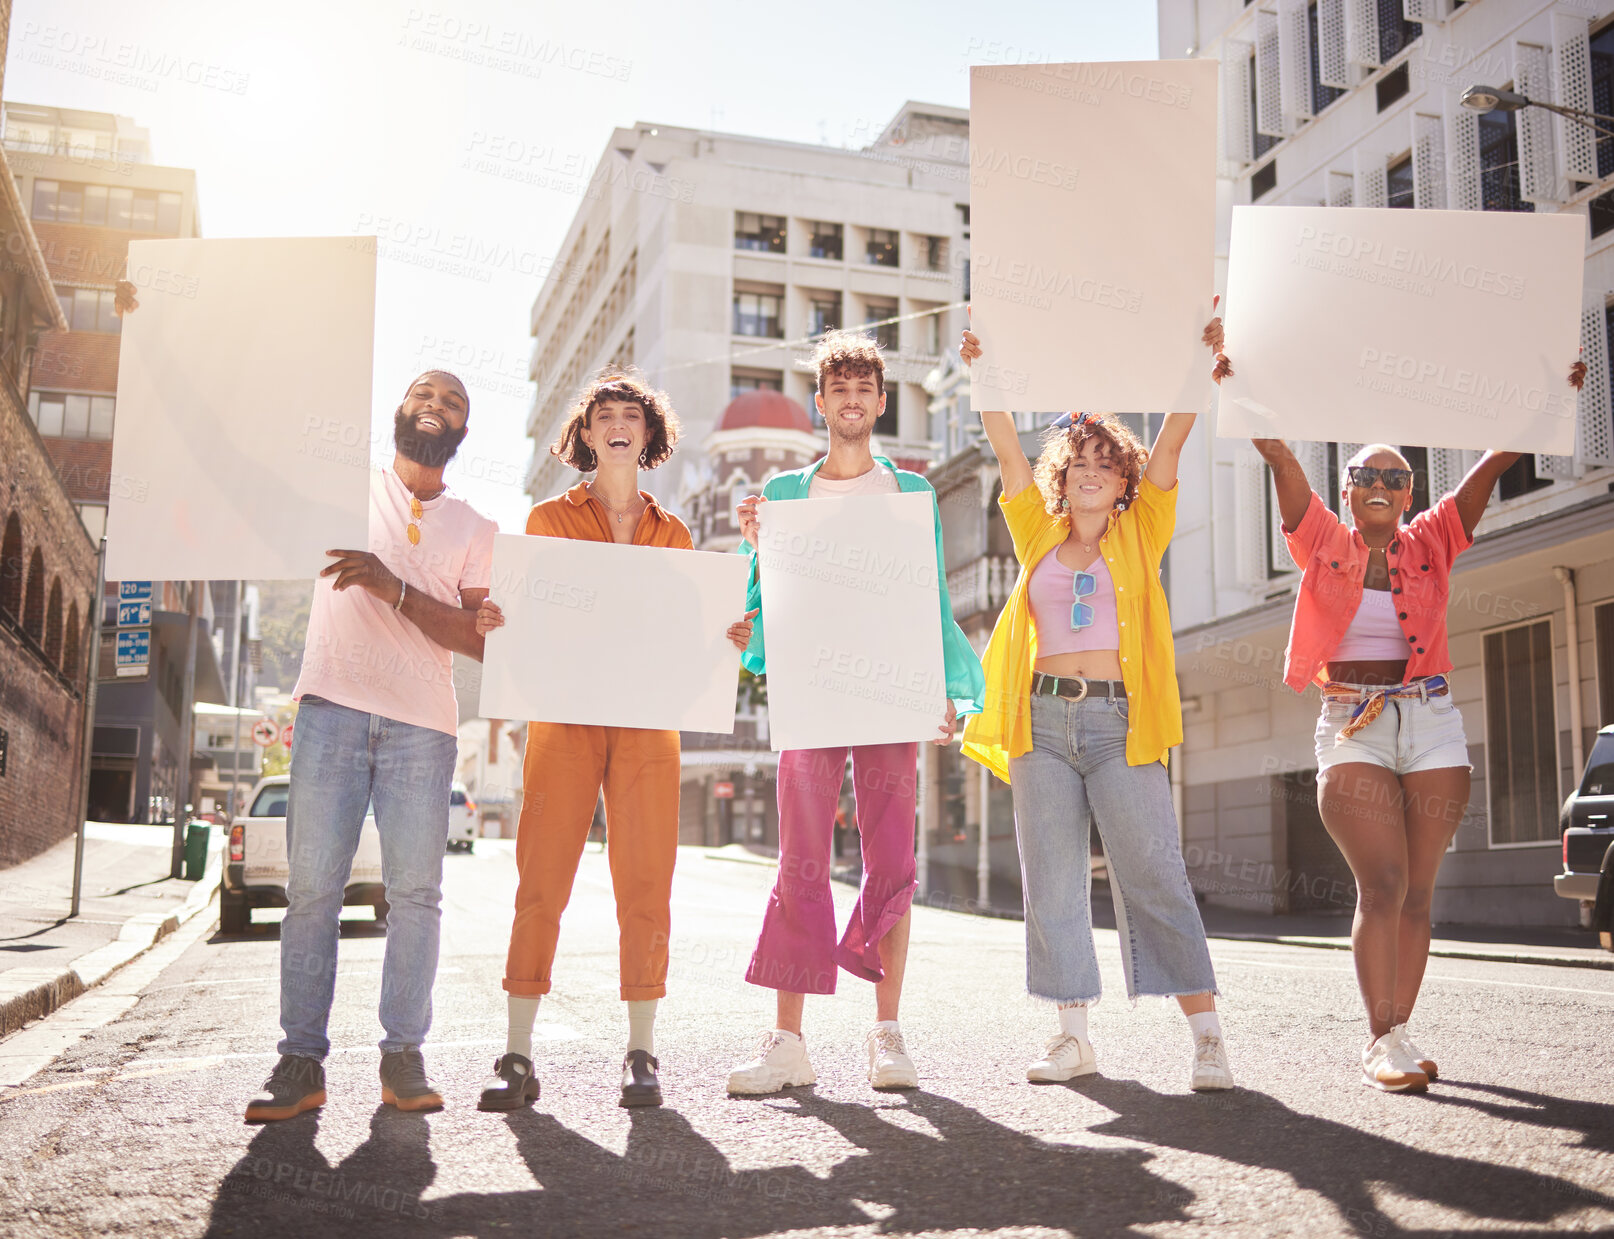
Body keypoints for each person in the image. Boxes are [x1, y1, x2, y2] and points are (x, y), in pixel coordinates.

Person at [1214, 346, 1588, 1092]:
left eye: (1397, 477)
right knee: (1381, 881)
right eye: (1368, 475)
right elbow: (1279, 454)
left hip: (1433, 720)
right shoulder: (1320, 538)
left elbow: (1492, 462)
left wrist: (1549, 400)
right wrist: (1234, 381)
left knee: (1420, 890)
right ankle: (1380, 1037)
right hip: (1351, 723)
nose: (1382, 484)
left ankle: (1402, 1033)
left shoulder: (1435, 539)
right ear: (1347, 490)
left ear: (1411, 494)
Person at [957, 311, 1235, 1092]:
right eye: (1077, 460)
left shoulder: (1142, 530)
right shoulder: (1034, 533)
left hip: (1118, 721)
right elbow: (1005, 442)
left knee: (1153, 871)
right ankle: (1072, 1035)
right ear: (1061, 475)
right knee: (1051, 880)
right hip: (1040, 720)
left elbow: (1174, 441)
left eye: (1104, 463)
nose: (1089, 471)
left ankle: (1207, 1037)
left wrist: (1198, 363)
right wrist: (986, 368)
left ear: (1122, 481)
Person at [474, 373, 755, 1112]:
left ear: (649, 434)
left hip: (647, 723)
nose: (620, 423)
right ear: (588, 435)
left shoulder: (677, 535)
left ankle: (640, 1054)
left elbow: (691, 651)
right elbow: (526, 620)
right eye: (606, 415)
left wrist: (725, 639)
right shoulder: (546, 519)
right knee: (541, 881)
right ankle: (517, 1055)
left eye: (633, 414)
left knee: (645, 884)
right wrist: (498, 624)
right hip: (563, 717)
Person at [725, 330, 985, 1096]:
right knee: (799, 859)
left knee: (893, 860)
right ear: (821, 401)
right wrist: (751, 598)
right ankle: (788, 1042)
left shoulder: (912, 493)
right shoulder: (781, 497)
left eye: (863, 387)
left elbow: (928, 598)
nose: (850, 398)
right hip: (812, 695)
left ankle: (886, 1032)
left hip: (890, 691)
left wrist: (942, 685)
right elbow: (761, 601)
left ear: (878, 401)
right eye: (837, 386)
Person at [249, 369, 498, 1121]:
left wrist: (395, 589)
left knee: (416, 896)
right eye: (424, 393)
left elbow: (482, 640)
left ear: (461, 431)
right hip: (329, 712)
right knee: (312, 892)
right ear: (399, 411)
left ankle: (403, 1056)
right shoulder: (339, 490)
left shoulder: (476, 529)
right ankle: (300, 1061)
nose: (435, 405)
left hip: (423, 727)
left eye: (451, 401)